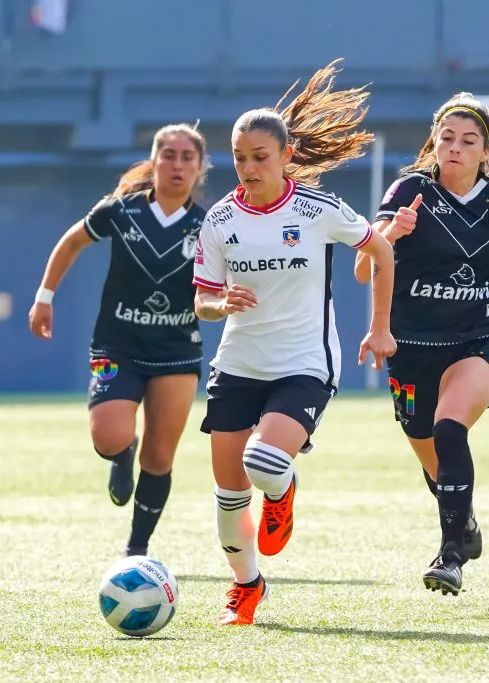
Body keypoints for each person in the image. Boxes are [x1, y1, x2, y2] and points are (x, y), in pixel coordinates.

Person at [192, 59, 397, 626]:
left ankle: (282, 493)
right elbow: (202, 301)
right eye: (239, 157)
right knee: (228, 494)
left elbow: (379, 249)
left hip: (303, 364)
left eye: (260, 157)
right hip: (238, 364)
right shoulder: (219, 221)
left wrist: (380, 326)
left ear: (285, 157)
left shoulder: (317, 210)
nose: (249, 167)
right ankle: (246, 587)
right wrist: (219, 304)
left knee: (262, 461)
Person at [354, 92, 489, 596]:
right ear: (434, 143)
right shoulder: (410, 191)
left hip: (477, 341)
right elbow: (365, 269)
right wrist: (393, 232)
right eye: (446, 137)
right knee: (433, 459)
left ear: (484, 152)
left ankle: (450, 556)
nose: (454, 146)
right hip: (409, 347)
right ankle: (465, 525)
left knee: (450, 432)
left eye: (468, 140)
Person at [28, 123, 209, 558]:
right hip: (117, 345)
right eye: (169, 155)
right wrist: (44, 297)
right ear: (154, 161)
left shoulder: (210, 226)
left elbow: (221, 284)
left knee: (160, 458)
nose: (178, 164)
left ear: (200, 168)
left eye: (188, 157)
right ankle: (122, 452)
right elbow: (72, 242)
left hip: (176, 352)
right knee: (109, 437)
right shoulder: (120, 211)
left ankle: (136, 550)